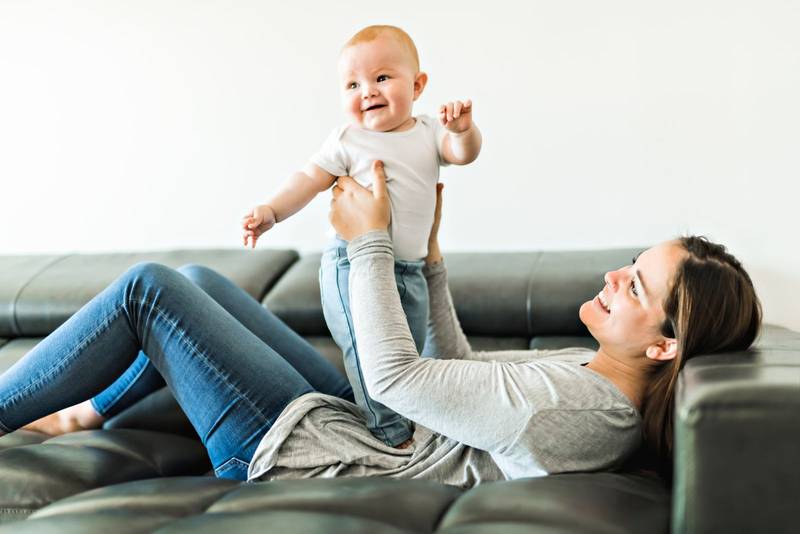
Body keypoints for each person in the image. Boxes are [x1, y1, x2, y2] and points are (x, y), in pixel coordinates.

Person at [0, 163, 761, 485]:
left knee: (151, 291)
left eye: (635, 284)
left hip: (307, 455)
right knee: (198, 283)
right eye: (628, 264)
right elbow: (460, 374)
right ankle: (83, 414)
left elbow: (398, 380)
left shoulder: (574, 411)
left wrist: (369, 243)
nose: (613, 277)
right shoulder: (593, 373)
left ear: (664, 344)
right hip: (363, 423)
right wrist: (429, 259)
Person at [241, 25, 482, 448]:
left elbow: (463, 155)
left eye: (382, 77)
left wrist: (463, 130)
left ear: (418, 85)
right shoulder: (347, 139)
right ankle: (389, 433)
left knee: (404, 355)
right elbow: (308, 179)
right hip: (351, 265)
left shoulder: (429, 132)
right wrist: (272, 211)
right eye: (352, 84)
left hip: (410, 270)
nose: (367, 91)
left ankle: (412, 419)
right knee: (369, 350)